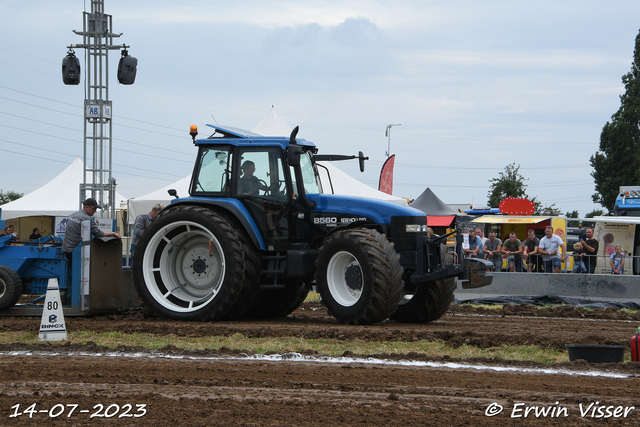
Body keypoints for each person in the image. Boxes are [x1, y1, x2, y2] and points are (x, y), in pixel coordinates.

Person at [61, 198, 121, 266]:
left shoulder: (71, 215)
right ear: (87, 207)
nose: (95, 211)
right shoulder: (86, 218)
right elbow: (99, 234)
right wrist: (113, 233)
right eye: (94, 209)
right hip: (77, 251)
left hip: (66, 248)